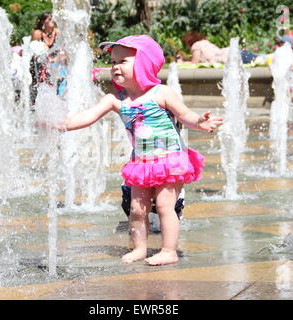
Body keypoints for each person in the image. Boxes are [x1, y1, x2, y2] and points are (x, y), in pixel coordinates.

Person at [37, 35, 223, 266]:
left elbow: (185, 115)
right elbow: (87, 116)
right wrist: (59, 123)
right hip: (141, 163)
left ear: (144, 63)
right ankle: (140, 248)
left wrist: (200, 122)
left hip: (169, 159)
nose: (115, 66)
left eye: (123, 61)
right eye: (113, 61)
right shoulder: (116, 99)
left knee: (165, 206)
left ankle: (168, 250)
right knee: (136, 209)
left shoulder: (161, 93)